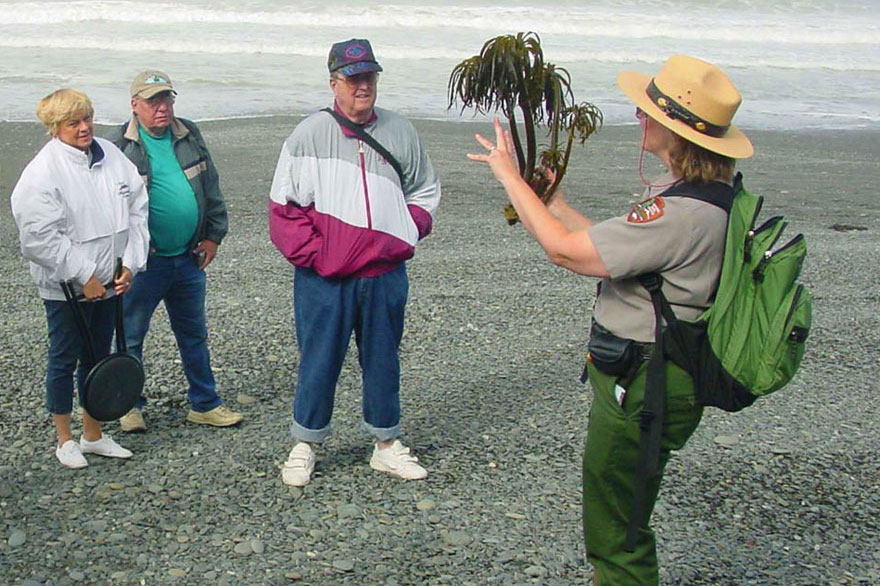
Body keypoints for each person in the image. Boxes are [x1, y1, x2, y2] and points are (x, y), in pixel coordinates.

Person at [468, 55, 754, 585]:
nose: (639, 118)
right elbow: (619, 251)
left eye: (650, 113)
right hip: (665, 372)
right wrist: (556, 203)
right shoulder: (711, 200)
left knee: (615, 529)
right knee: (624, 509)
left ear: (676, 132)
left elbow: (567, 254)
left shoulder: (682, 213)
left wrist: (511, 178)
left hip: (646, 380)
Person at [269, 38, 441, 486]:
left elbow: (425, 190)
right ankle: (305, 443)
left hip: (385, 273)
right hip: (325, 279)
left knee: (384, 359)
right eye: (353, 78)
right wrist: (319, 258)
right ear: (334, 83)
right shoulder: (308, 133)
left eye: (369, 76)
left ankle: (386, 444)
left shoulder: (401, 131)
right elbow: (284, 208)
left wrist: (406, 231)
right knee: (318, 359)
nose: (362, 86)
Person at [11, 88, 150, 468]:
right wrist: (82, 273)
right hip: (67, 288)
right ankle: (64, 438)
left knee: (99, 355)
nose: (84, 127)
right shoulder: (43, 172)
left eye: (87, 118)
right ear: (55, 127)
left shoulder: (112, 157)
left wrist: (131, 264)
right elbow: (37, 236)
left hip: (109, 280)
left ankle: (93, 434)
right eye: (73, 122)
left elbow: (137, 207)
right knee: (64, 357)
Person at [106, 70, 242, 431]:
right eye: (153, 101)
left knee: (194, 334)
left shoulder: (188, 134)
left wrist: (214, 235)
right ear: (135, 105)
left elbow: (210, 185)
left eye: (166, 99)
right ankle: (128, 405)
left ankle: (205, 403)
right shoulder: (117, 146)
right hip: (143, 263)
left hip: (187, 258)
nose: (162, 108)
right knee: (130, 336)